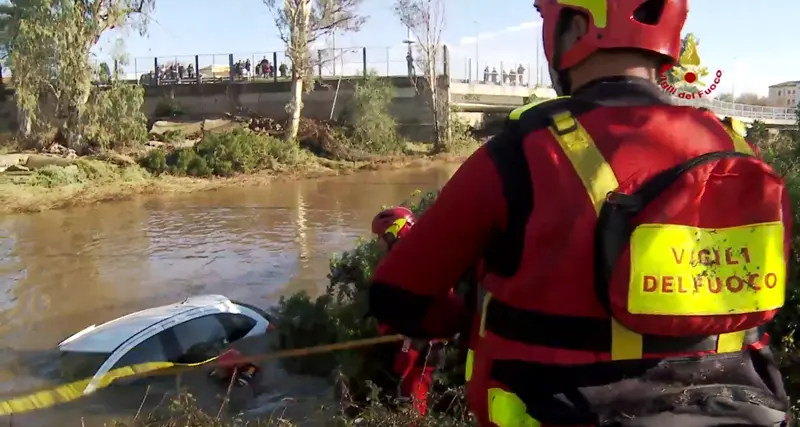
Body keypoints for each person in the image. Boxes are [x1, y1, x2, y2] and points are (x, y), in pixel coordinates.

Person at [367, 0, 791, 426]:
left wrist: (461, 318)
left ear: (572, 26)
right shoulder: (739, 150)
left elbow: (397, 295)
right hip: (744, 412)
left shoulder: (525, 152)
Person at [364, 206, 445, 416]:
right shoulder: (403, 260)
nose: (378, 242)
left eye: (381, 237)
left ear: (394, 234)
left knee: (410, 395)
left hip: (417, 344)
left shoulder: (419, 263)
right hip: (404, 339)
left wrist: (404, 354)